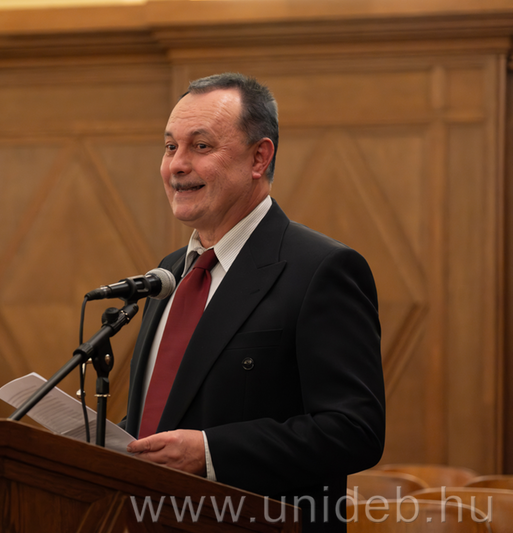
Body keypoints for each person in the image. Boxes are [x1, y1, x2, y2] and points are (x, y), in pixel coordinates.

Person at [123, 72, 385, 532]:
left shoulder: (321, 269)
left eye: (200, 146)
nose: (176, 165)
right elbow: (169, 410)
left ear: (259, 157)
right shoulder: (169, 272)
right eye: (169, 147)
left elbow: (354, 430)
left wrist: (211, 452)